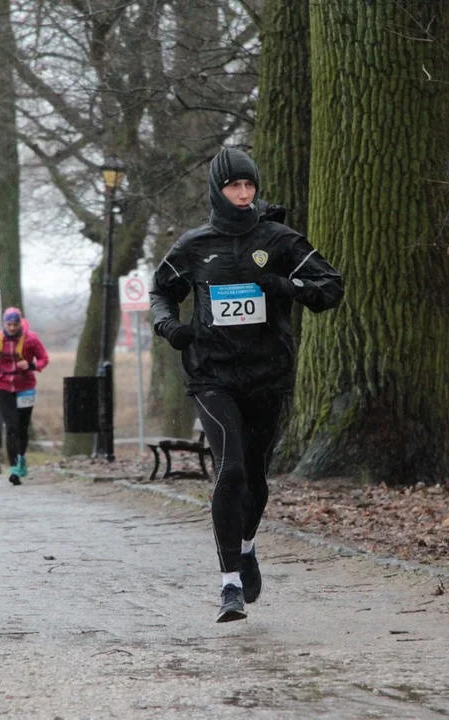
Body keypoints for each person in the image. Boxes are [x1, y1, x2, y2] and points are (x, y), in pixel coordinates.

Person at [150, 147, 344, 622]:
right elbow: (160, 292)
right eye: (233, 186)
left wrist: (286, 287)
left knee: (256, 477)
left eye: (248, 186)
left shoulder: (277, 239)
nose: (242, 194)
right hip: (212, 374)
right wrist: (170, 327)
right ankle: (229, 585)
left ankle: (247, 545)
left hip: (266, 375)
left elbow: (331, 287)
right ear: (217, 190)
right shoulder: (194, 246)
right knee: (230, 467)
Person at [0, 307, 48, 485]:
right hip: (4, 386)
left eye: (16, 324)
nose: (13, 328)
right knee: (11, 426)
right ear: (4, 324)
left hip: (26, 386)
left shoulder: (31, 339)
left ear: (20, 323)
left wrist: (31, 366)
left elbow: (43, 359)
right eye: (9, 324)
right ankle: (14, 468)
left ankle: (22, 457)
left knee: (22, 427)